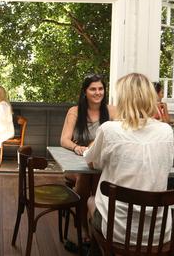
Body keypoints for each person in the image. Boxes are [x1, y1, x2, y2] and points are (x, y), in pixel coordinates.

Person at [84, 73, 174, 246]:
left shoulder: (109, 129)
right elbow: (167, 165)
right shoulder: (166, 131)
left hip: (116, 230)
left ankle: (94, 248)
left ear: (123, 99)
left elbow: (91, 161)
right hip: (157, 233)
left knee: (90, 200)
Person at [59, 73, 117, 238]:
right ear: (85, 92)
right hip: (78, 162)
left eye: (101, 89)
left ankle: (96, 225)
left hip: (101, 162)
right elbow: (64, 139)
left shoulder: (112, 110)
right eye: (93, 89)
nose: (98, 92)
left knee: (98, 177)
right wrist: (76, 147)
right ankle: (84, 227)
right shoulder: (75, 111)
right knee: (85, 176)